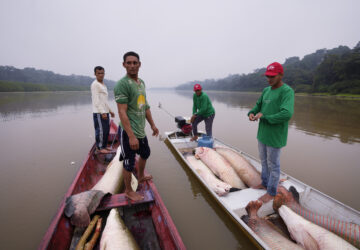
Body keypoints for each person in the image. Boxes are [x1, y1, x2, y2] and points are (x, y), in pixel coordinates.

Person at [114, 51, 159, 201]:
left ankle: (140, 177)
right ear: (124, 65)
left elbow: (144, 106)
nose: (132, 66)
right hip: (128, 132)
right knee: (128, 162)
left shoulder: (141, 83)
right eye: (129, 63)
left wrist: (153, 125)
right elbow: (122, 112)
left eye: (135, 63)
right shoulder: (122, 84)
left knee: (145, 153)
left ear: (139, 64)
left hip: (140, 130)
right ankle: (128, 190)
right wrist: (131, 136)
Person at [248, 62, 294, 203]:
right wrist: (251, 112)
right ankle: (265, 182)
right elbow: (258, 106)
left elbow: (287, 114)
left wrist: (266, 117)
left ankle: (272, 192)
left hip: (275, 136)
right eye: (267, 76)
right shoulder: (266, 90)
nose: (269, 79)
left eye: (272, 76)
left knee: (273, 165)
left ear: (281, 75)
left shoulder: (287, 91)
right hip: (263, 134)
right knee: (263, 161)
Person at [91, 66, 115, 154]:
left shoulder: (103, 85)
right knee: (100, 130)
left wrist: (110, 110)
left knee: (106, 130)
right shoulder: (95, 84)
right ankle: (100, 148)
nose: (101, 75)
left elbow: (104, 101)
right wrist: (102, 112)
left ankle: (104, 146)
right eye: (99, 73)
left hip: (105, 112)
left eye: (102, 73)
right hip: (99, 112)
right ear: (95, 74)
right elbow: (96, 101)